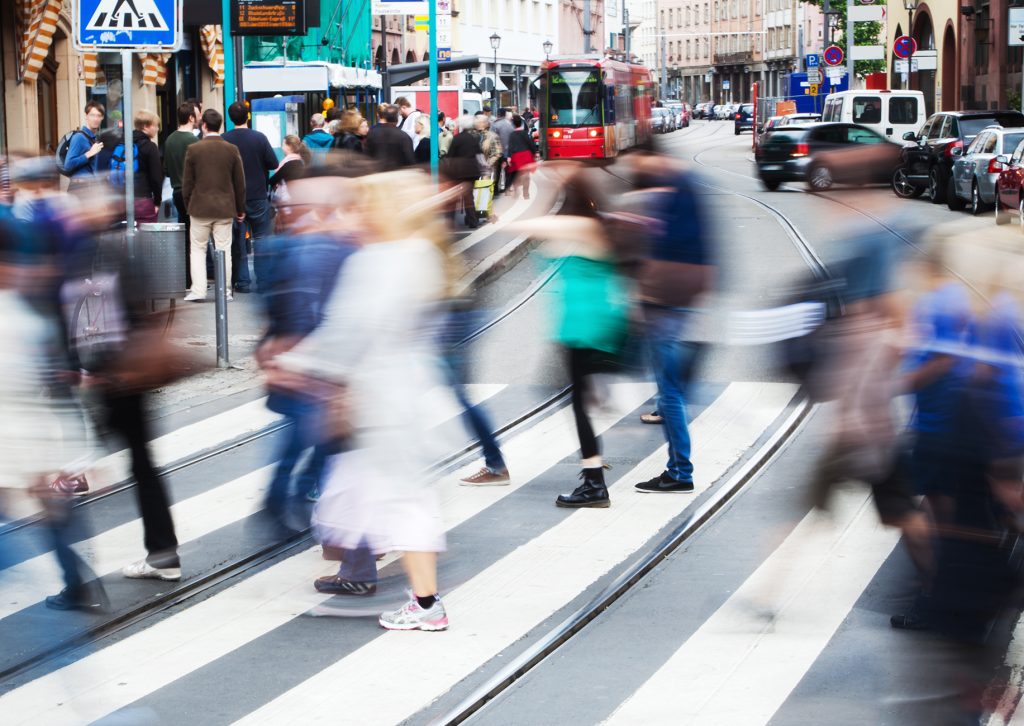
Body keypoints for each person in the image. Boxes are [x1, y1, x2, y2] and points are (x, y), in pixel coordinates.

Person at [269, 170, 458, 631]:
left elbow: (350, 330)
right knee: (355, 490)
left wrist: (294, 363)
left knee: (404, 500)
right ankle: (357, 570)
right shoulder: (415, 253)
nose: (346, 217)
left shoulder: (378, 261)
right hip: (399, 391)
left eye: (356, 208)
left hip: (383, 398)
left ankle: (427, 605)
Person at [630, 152, 714, 494]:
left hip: (665, 308)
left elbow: (655, 254)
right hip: (676, 306)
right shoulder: (688, 193)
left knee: (671, 393)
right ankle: (679, 468)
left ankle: (680, 471)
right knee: (671, 391)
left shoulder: (671, 198)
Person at [182, 108, 246, 302]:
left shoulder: (193, 150)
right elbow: (239, 182)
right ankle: (224, 291)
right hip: (225, 208)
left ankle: (199, 290)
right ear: (220, 126)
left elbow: (187, 183)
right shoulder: (231, 149)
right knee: (224, 249)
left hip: (199, 208)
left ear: (204, 126)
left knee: (198, 250)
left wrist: (188, 205)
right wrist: (240, 208)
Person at [223, 101, 278, 293]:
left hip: (234, 198)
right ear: (248, 116)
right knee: (262, 238)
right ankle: (263, 281)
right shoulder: (259, 138)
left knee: (238, 239)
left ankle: (242, 282)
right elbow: (273, 163)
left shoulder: (224, 139)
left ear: (230, 118)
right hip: (258, 196)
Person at [164, 102, 199, 285]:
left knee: (184, 235)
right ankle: (193, 277)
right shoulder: (193, 141)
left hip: (177, 191)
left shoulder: (169, 140)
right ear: (191, 118)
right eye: (197, 115)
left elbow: (167, 170)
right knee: (195, 236)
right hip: (192, 192)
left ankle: (184, 277)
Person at [443, 114, 484, 229]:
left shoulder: (457, 138)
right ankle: (472, 221)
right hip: (472, 171)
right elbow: (479, 154)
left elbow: (450, 155)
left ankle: (450, 223)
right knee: (469, 197)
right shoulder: (473, 138)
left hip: (458, 171)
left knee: (454, 197)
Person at [128, 110, 163, 224]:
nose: (157, 129)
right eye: (156, 126)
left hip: (122, 200)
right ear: (146, 127)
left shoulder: (124, 143)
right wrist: (157, 202)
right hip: (143, 200)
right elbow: (156, 178)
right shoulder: (150, 147)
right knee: (146, 239)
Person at [64, 101, 106, 190]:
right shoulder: (79, 137)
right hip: (79, 187)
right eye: (92, 115)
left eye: (98, 116)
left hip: (90, 188)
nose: (95, 119)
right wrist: (89, 154)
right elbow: (68, 164)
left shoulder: (94, 138)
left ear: (102, 118)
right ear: (86, 116)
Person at [365, 104, 414, 171]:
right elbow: (410, 161)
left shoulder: (372, 133)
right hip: (397, 176)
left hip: (376, 175)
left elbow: (366, 156)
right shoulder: (404, 136)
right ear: (397, 118)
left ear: (385, 117)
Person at [505, 114, 538, 199]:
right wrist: (535, 153)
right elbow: (531, 143)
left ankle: (516, 191)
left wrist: (509, 157)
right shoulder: (525, 133)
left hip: (515, 156)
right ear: (521, 123)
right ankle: (526, 194)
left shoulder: (512, 135)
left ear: (513, 124)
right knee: (526, 176)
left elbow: (510, 146)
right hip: (526, 155)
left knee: (515, 175)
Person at [269, 135, 310, 201]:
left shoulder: (288, 163)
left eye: (283, 145)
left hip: (287, 199)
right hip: (299, 197)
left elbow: (273, 180)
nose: (282, 147)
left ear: (289, 147)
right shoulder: (300, 161)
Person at [491, 108, 514, 193]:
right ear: (505, 114)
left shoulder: (495, 125)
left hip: (497, 152)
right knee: (508, 171)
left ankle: (496, 189)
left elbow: (491, 139)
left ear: (498, 114)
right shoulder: (510, 124)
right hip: (508, 152)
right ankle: (507, 188)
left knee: (497, 170)